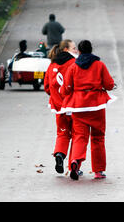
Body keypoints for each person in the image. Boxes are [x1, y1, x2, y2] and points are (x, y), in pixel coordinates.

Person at [60, 40, 115, 180]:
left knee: (79, 136)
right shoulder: (99, 65)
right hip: (96, 105)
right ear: (91, 50)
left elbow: (66, 88)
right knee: (98, 137)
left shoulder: (73, 67)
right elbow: (109, 84)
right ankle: (98, 170)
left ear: (79, 51)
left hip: (78, 106)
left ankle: (75, 162)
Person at [44, 39, 78, 174]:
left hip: (58, 107)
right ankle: (74, 165)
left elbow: (47, 87)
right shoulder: (74, 63)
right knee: (77, 135)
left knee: (62, 133)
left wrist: (55, 97)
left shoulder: (52, 65)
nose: (76, 50)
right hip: (73, 106)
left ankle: (59, 154)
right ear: (66, 50)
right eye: (74, 48)